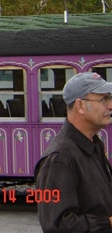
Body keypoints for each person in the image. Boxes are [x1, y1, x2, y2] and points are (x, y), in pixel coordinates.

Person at [35, 72, 112, 232]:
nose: (110, 105)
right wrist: (107, 223)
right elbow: (56, 225)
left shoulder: (94, 146)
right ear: (80, 106)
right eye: (104, 99)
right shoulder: (58, 158)